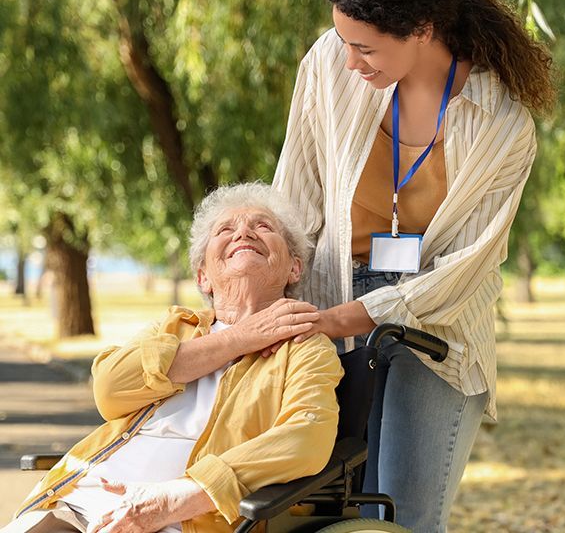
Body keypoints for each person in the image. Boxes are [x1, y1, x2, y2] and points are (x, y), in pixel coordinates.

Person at [273, 0, 554, 532]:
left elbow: (468, 265)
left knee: (402, 519)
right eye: (345, 41)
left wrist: (353, 317)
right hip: (329, 300)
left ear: (423, 29)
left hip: (439, 326)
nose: (350, 62)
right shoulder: (328, 63)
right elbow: (294, 197)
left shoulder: (503, 123)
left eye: (366, 48)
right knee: (315, 514)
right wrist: (270, 308)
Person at [5, 183, 343, 533]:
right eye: (225, 229)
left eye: (263, 226)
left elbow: (307, 438)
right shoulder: (175, 326)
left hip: (179, 521)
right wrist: (240, 338)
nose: (243, 231)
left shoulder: (305, 347)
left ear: (294, 269)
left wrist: (179, 497)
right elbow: (109, 387)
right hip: (76, 502)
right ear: (203, 277)